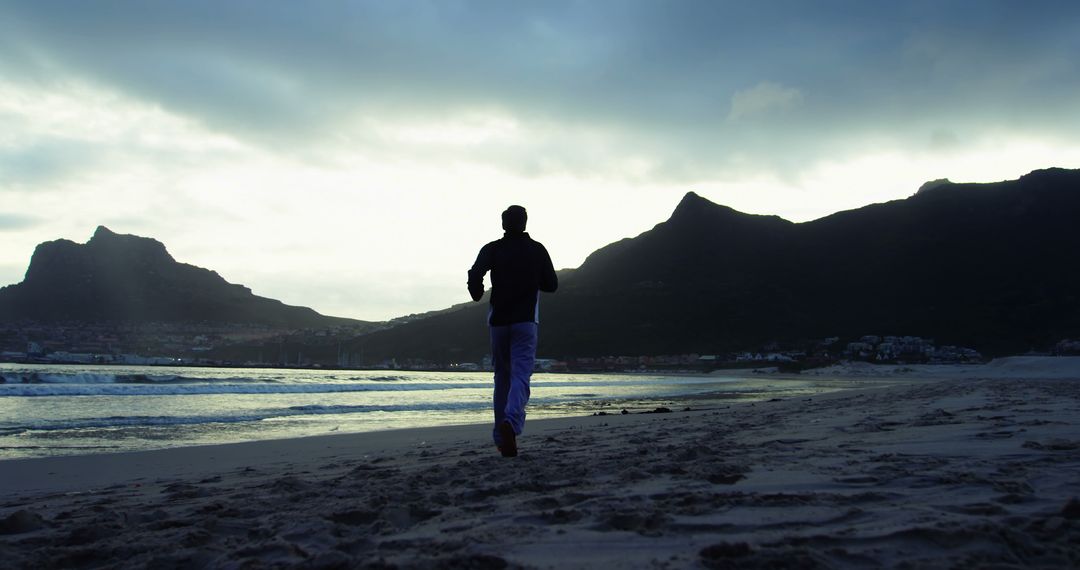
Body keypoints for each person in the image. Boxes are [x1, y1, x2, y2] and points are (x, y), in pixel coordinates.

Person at [467, 205, 557, 457]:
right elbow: (551, 284)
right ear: (525, 223)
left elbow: (475, 275)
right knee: (520, 376)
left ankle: (500, 437)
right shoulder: (537, 249)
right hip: (526, 321)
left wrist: (476, 290)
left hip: (498, 321)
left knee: (502, 379)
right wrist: (529, 277)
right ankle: (511, 422)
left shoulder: (492, 248)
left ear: (503, 224)